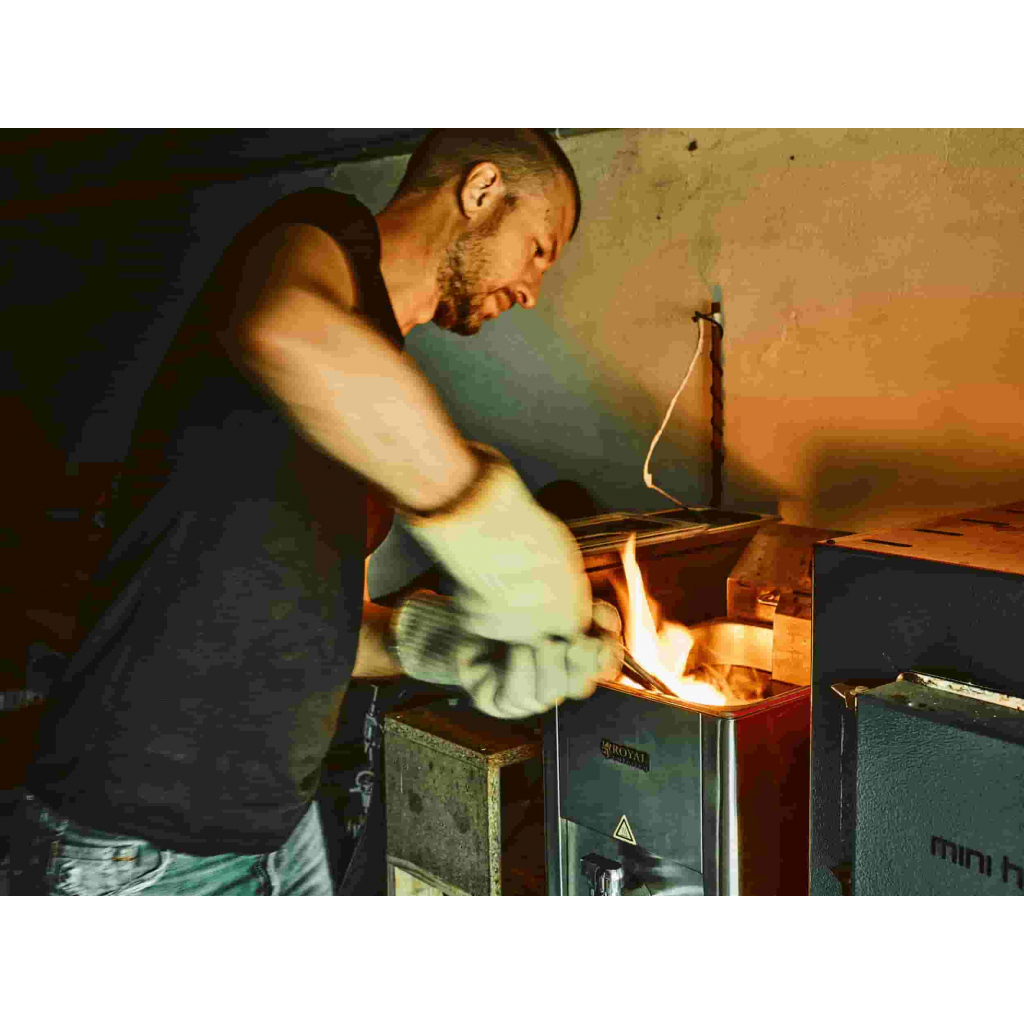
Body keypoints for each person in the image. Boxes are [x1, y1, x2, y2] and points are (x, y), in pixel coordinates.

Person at [8, 129, 622, 896]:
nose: (533, 289)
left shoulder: (369, 396)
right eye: (539, 248)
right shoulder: (318, 235)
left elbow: (326, 626)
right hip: (137, 842)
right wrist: (509, 541)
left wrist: (449, 648)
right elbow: (286, 329)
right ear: (482, 190)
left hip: (275, 828)